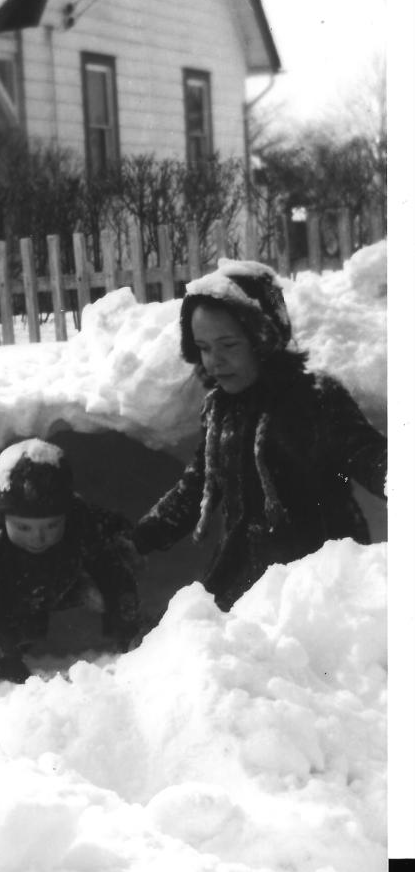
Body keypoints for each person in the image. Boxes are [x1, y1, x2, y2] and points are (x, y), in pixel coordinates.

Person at [132, 258, 387, 612]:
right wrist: (139, 539)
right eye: (203, 348)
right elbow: (198, 486)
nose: (214, 361)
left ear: (263, 339)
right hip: (242, 566)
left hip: (316, 575)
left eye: (228, 345)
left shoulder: (314, 398)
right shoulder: (221, 410)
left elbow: (367, 454)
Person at [0, 438, 142, 682]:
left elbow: (114, 571)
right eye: (23, 527)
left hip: (57, 579)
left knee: (118, 552)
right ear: (3, 516)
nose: (38, 537)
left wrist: (125, 628)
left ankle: (65, 600)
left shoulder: (81, 518)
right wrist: (7, 665)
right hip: (1, 592)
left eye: (52, 525)